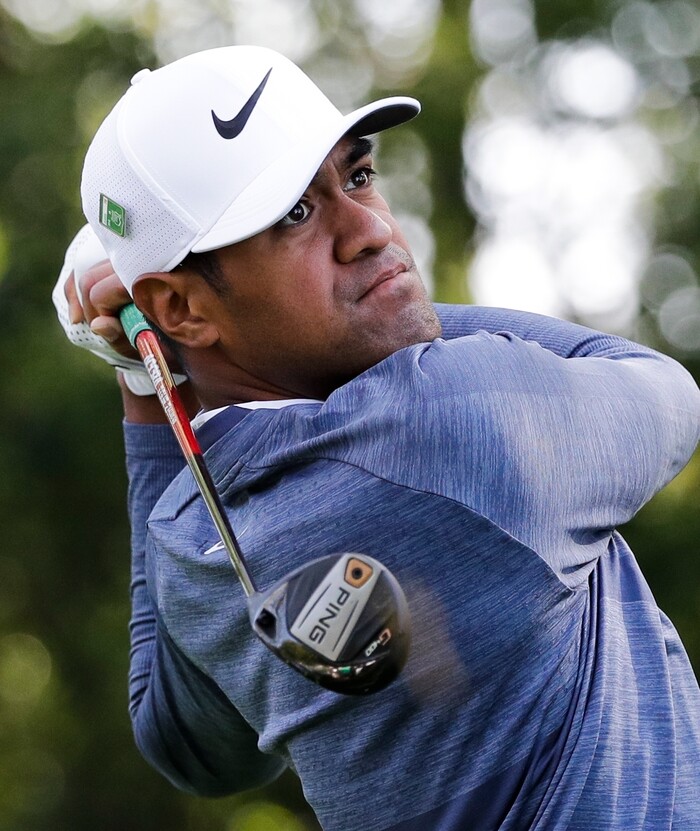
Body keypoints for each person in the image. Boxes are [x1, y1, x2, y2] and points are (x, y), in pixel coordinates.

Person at [54, 45, 700, 831]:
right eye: (294, 213)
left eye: (357, 176)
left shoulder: (192, 535)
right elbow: (662, 386)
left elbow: (188, 747)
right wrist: (391, 319)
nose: (369, 228)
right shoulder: (453, 427)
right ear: (185, 307)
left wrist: (147, 373)